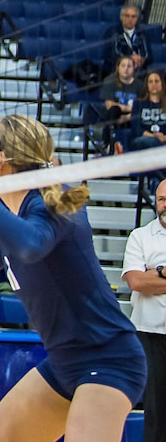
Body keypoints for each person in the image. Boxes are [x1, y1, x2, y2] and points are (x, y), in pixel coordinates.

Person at [0, 114, 146, 442]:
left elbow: (30, 247)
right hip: (64, 364)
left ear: (4, 158)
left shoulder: (56, 201)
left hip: (109, 359)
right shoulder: (17, 214)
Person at [122, 177, 166, 442]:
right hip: (149, 334)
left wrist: (157, 273)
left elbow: (146, 280)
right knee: (156, 412)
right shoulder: (140, 236)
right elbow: (137, 281)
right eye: (162, 199)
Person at [99, 55, 139, 151]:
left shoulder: (140, 85)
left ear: (134, 68)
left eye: (129, 66)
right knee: (114, 110)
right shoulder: (110, 81)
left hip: (132, 119)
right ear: (118, 68)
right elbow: (110, 105)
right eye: (123, 66)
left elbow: (142, 108)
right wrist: (129, 108)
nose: (126, 69)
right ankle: (107, 144)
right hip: (115, 116)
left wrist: (127, 117)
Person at [105, 4, 153, 74]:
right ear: (121, 17)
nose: (130, 19)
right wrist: (130, 59)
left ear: (137, 19)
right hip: (116, 71)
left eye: (133, 16)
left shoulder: (143, 34)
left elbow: (149, 56)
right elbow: (111, 54)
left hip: (138, 71)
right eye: (127, 16)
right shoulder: (112, 32)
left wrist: (141, 60)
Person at [128, 70, 166, 152]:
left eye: (156, 81)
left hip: (164, 139)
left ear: (162, 84)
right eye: (150, 82)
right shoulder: (138, 103)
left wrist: (164, 137)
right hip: (143, 139)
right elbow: (136, 128)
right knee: (148, 141)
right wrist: (154, 136)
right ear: (147, 85)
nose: (154, 84)